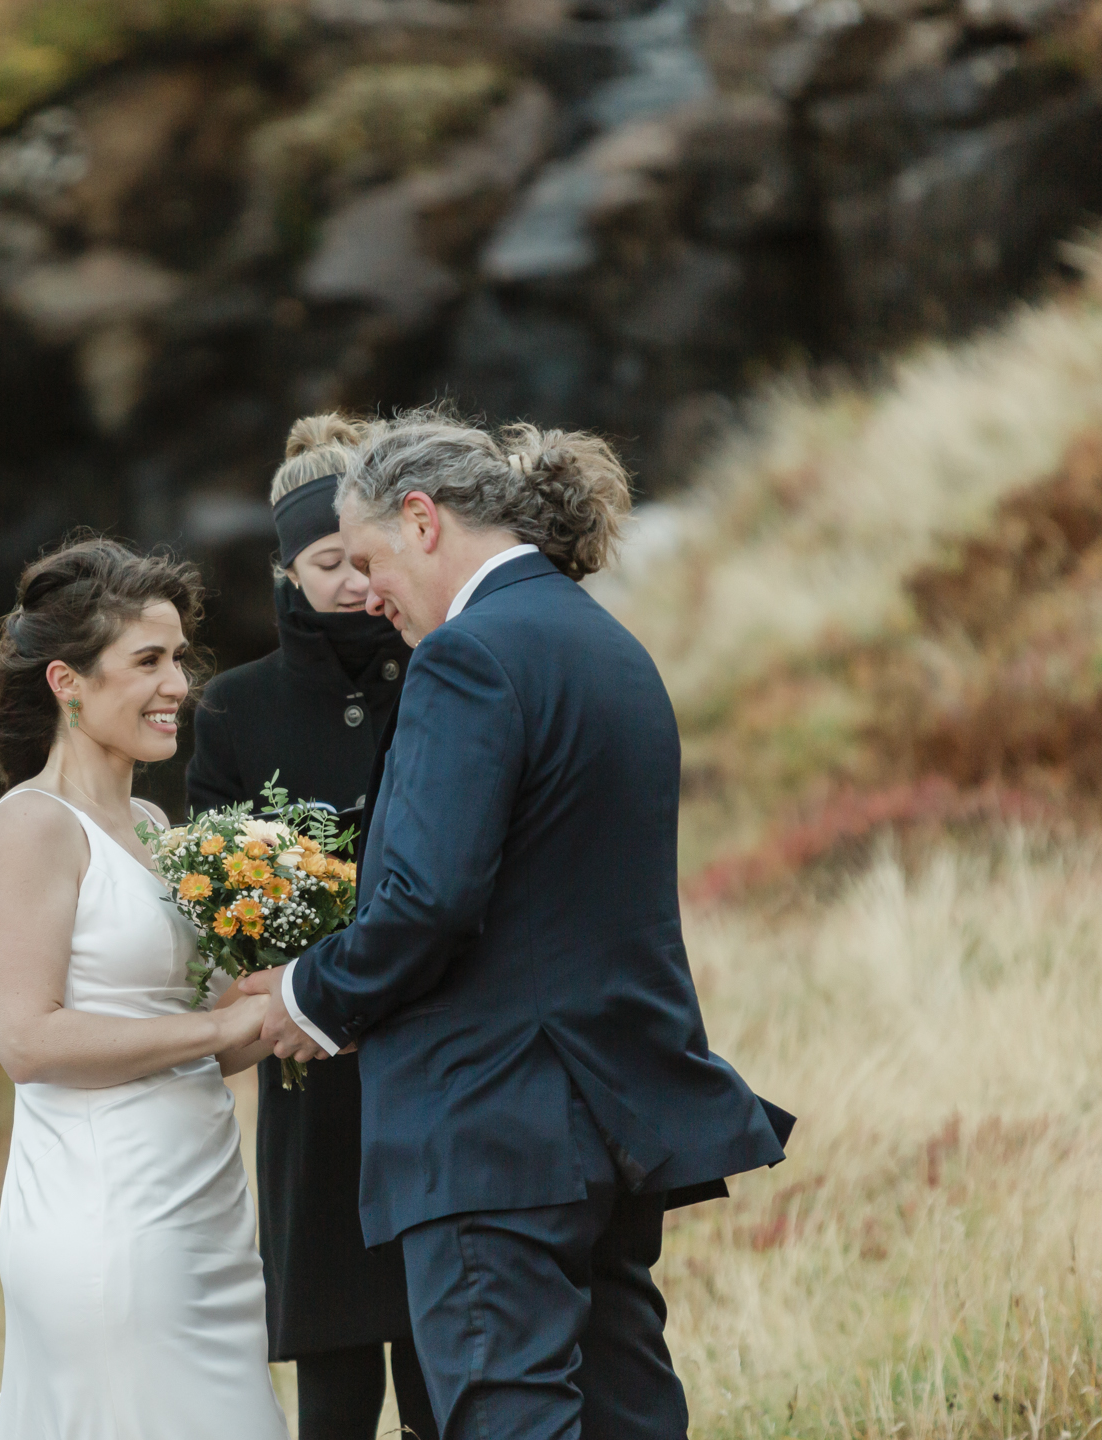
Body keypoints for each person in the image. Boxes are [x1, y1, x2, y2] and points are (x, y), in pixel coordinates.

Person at [244, 407, 795, 1440]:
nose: (364, 596)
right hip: (610, 1114)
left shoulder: (468, 659)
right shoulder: (606, 644)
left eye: (367, 560)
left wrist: (304, 995)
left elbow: (430, 899)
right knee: (628, 1417)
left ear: (422, 521)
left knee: (507, 1418)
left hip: (492, 1131)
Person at [0, 536, 288, 1440]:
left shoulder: (150, 823)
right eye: (147, 660)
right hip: (107, 1217)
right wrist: (217, 1037)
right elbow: (28, 1042)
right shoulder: (30, 828)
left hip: (202, 1211)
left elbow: (209, 1028)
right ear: (67, 683)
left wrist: (316, 992)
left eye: (179, 657)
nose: (178, 684)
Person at [187, 414, 438, 1440]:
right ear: (288, 572)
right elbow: (213, 894)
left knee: (440, 1349)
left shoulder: (442, 671)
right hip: (311, 1064)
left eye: (358, 558)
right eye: (323, 562)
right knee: (333, 1380)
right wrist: (273, 946)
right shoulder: (236, 709)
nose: (346, 582)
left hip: (432, 1054)